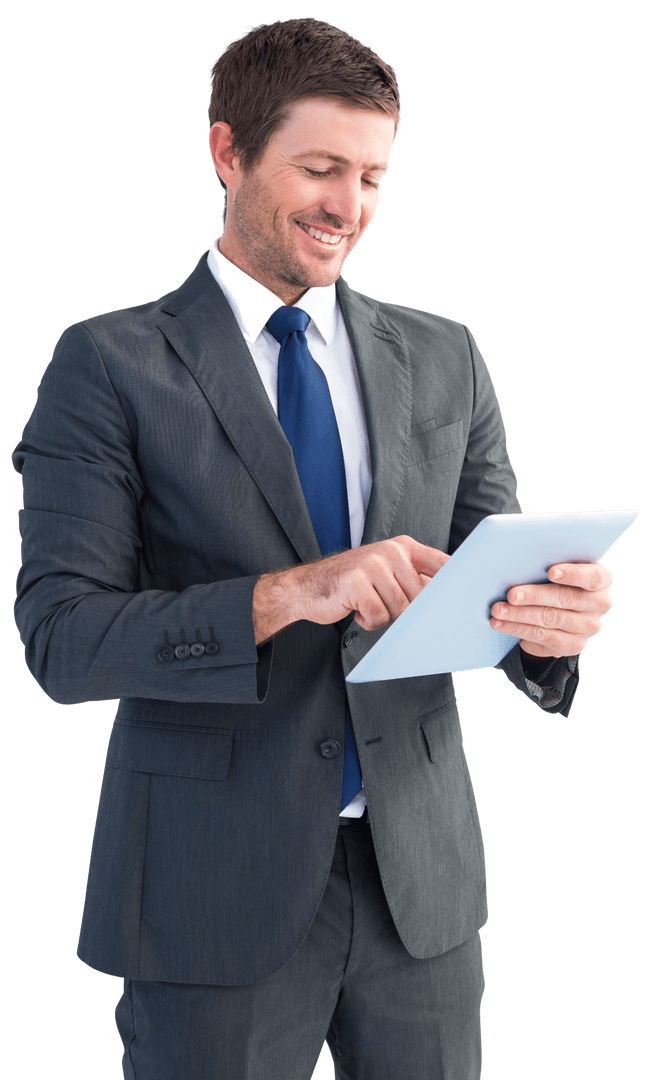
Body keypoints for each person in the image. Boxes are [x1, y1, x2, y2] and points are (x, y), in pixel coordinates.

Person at [11, 17, 613, 1080]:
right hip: (209, 893)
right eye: (321, 168)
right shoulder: (108, 363)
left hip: (418, 895)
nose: (350, 207)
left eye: (373, 175)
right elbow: (64, 641)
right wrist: (286, 594)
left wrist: (547, 628)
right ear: (227, 151)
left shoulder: (445, 356)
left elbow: (483, 581)